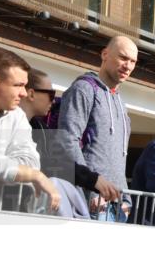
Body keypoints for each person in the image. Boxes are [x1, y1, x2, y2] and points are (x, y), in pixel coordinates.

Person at [0, 47, 60, 212]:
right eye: (18, 85)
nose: (24, 93)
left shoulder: (17, 115)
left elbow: (31, 162)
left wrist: (1, 170)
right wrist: (32, 175)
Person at [56, 36, 137, 217]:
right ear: (105, 54)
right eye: (123, 58)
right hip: (89, 204)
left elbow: (118, 157)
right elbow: (68, 140)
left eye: (133, 61)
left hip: (117, 207)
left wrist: (126, 199)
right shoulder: (83, 89)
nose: (128, 66)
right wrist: (90, 189)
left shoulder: (121, 104)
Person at [23, 68, 120, 213]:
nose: (54, 99)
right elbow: (47, 162)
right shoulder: (8, 122)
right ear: (31, 94)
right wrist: (93, 180)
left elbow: (60, 160)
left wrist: (93, 179)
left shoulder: (41, 128)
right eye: (50, 94)